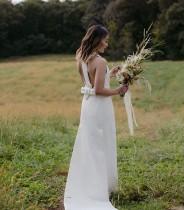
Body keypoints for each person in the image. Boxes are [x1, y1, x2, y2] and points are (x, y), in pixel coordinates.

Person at [63, 24, 128, 210]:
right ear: (98, 40)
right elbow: (99, 90)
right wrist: (119, 90)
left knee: (91, 145)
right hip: (99, 107)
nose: (107, 44)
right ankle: (98, 189)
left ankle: (90, 184)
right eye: (105, 40)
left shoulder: (81, 56)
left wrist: (110, 73)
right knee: (101, 145)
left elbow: (90, 82)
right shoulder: (100, 61)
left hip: (88, 105)